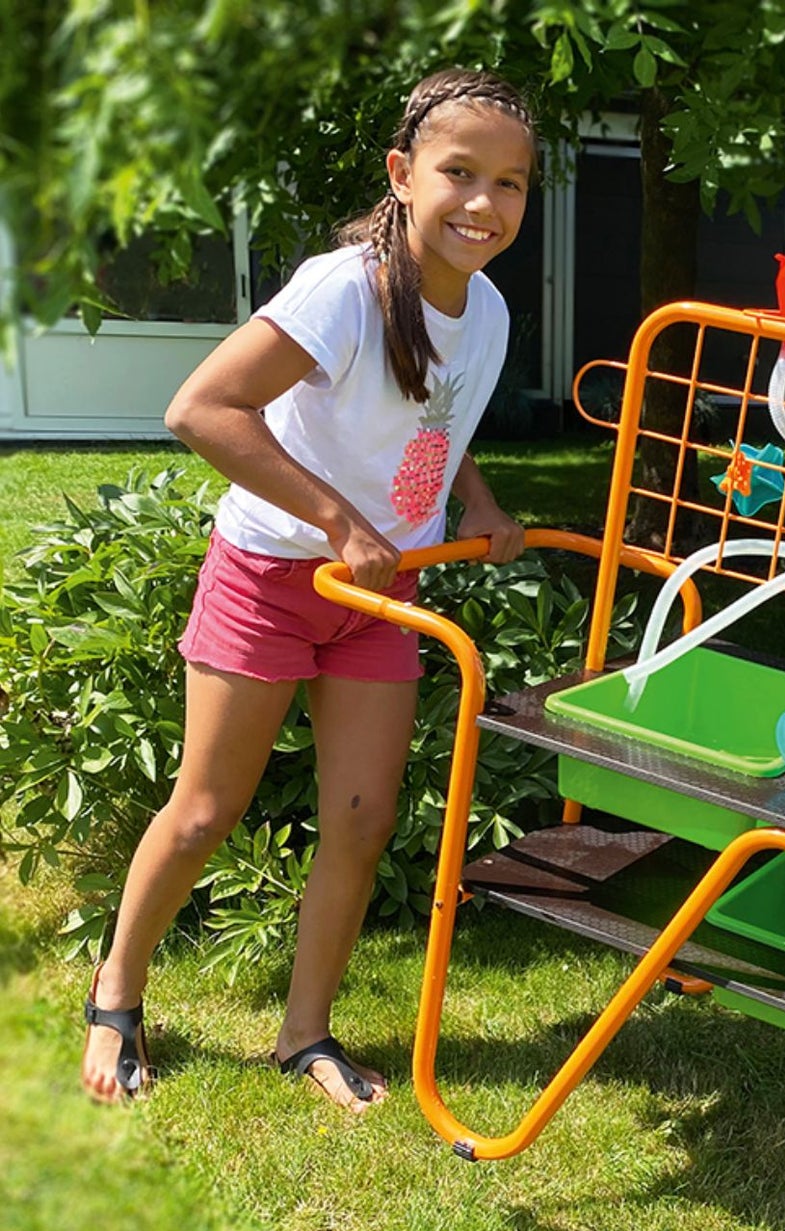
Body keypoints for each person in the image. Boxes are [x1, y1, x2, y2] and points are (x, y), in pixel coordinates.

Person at [80, 68, 535, 1112]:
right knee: (206, 809)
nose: (482, 204)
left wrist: (478, 501)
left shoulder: (492, 307)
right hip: (273, 573)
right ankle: (117, 991)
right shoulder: (346, 287)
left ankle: (304, 1033)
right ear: (402, 173)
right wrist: (340, 521)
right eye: (458, 172)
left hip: (380, 593)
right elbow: (202, 409)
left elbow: (435, 420)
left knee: (362, 817)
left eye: (508, 184)